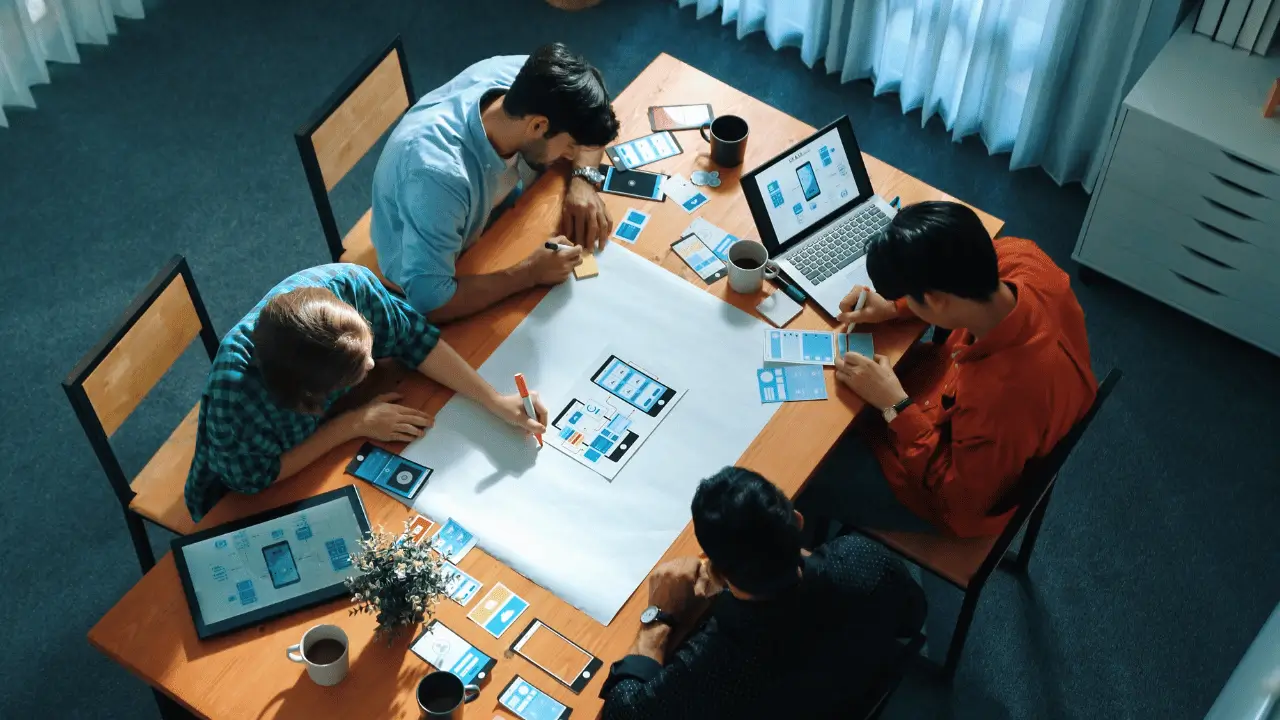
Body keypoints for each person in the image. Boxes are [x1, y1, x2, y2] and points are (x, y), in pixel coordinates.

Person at [798, 201, 1098, 538]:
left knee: (804, 470)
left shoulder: (1001, 397)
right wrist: (893, 309)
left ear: (935, 299)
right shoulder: (1022, 256)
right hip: (969, 408)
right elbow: (947, 282)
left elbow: (958, 501)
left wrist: (895, 406)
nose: (907, 302)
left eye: (910, 297)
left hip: (958, 496)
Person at [183, 263, 548, 522]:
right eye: (356, 372)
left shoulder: (349, 286)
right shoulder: (237, 400)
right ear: (309, 396)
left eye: (369, 352)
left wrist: (493, 400)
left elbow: (413, 339)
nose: (373, 366)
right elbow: (257, 476)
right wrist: (352, 425)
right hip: (238, 487)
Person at [600, 467, 926, 720]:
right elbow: (913, 618)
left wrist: (657, 618)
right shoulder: (864, 561)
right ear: (797, 521)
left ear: (715, 571)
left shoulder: (715, 662)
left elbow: (625, 712)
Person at [371, 43, 620, 321]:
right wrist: (529, 273)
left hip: (493, 213)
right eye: (570, 147)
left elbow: (594, 111)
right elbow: (431, 300)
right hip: (437, 262)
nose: (574, 156)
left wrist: (583, 178)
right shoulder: (439, 178)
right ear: (538, 126)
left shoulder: (529, 80)